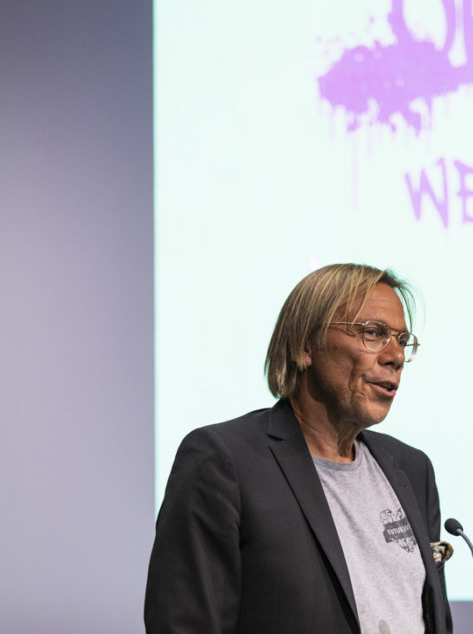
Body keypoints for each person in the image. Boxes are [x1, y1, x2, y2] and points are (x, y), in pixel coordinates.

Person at [145, 264, 453, 634]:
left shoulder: (412, 469)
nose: (395, 356)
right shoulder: (223, 462)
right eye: (373, 333)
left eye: (402, 341)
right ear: (306, 345)